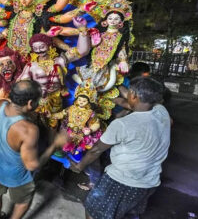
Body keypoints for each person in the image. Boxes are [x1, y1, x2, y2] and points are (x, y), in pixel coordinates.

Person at [69, 76, 171, 219]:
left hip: (121, 182)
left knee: (93, 211)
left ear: (134, 96)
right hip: (150, 182)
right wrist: (112, 92)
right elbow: (130, 103)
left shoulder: (122, 124)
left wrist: (79, 166)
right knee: (128, 213)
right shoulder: (162, 112)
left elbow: (96, 150)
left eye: (129, 92)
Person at [0, 80, 69, 219]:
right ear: (30, 103)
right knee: (23, 202)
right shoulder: (29, 130)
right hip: (15, 173)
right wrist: (54, 145)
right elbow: (32, 165)